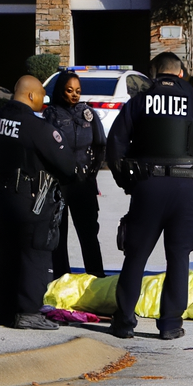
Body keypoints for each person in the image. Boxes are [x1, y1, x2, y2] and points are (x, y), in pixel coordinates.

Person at [105, 52, 193, 340]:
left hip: (147, 186)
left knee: (135, 256)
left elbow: (115, 147)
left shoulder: (138, 103)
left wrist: (127, 182)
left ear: (154, 74)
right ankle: (170, 324)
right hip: (186, 190)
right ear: (181, 74)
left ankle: (123, 322)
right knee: (179, 257)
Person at [0, 74, 76, 330]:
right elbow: (67, 166)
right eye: (42, 97)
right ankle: (28, 311)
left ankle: (5, 312)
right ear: (30, 95)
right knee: (35, 254)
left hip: (0, 196)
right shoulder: (37, 127)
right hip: (31, 199)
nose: (44, 102)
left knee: (7, 254)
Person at [44, 70, 107, 279]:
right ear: (61, 91)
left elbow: (100, 145)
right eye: (70, 90)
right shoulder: (51, 114)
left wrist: (92, 172)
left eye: (78, 91)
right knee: (58, 234)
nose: (74, 95)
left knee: (89, 232)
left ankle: (96, 276)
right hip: (59, 183)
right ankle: (61, 277)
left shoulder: (87, 113)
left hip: (83, 181)